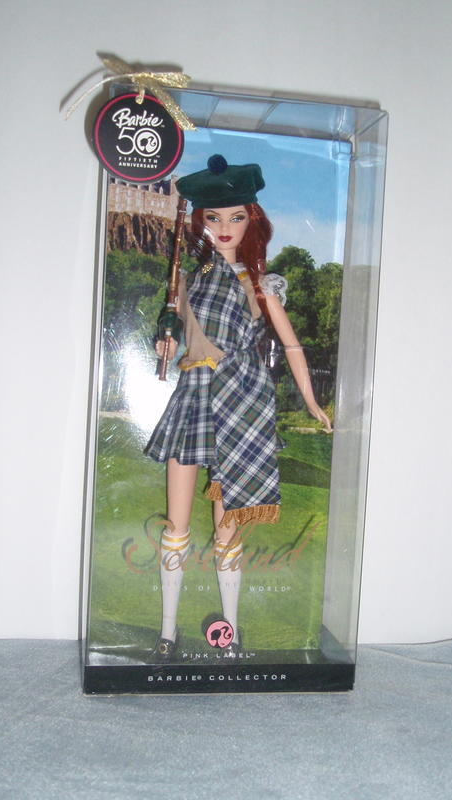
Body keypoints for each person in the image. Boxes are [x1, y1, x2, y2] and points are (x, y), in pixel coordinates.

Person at [144, 154, 331, 661]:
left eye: (236, 216)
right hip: (194, 397)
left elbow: (291, 346)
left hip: (242, 399)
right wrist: (166, 340)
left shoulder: (258, 284)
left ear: (252, 220)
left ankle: (231, 632)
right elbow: (175, 333)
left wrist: (311, 399)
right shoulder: (186, 281)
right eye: (214, 217)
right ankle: (167, 632)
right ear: (200, 221)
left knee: (228, 530)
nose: (225, 227)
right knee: (176, 528)